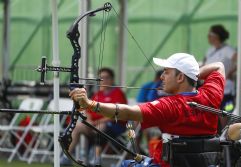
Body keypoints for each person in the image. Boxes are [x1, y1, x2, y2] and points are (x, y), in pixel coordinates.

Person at [70, 53, 225, 167]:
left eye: (166, 72)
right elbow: (219, 66)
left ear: (180, 78)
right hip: (206, 163)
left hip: (169, 164)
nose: (162, 77)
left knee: (126, 165)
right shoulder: (211, 94)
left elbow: (127, 111)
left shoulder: (169, 105)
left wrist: (90, 104)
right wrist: (193, 75)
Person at [61, 67, 127, 166]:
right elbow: (87, 110)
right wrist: (90, 120)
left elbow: (117, 114)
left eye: (106, 77)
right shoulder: (98, 94)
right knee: (78, 126)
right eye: (101, 78)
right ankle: (67, 156)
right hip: (94, 126)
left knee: (102, 127)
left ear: (112, 79)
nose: (103, 80)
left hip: (113, 126)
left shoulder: (118, 93)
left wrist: (96, 123)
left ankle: (95, 158)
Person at [203, 24, 237, 132]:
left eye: (210, 34)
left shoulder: (228, 49)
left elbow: (240, 60)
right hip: (211, 89)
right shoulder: (210, 51)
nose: (208, 37)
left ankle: (224, 138)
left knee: (224, 113)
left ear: (216, 36)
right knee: (211, 114)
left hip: (226, 89)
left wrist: (231, 72)